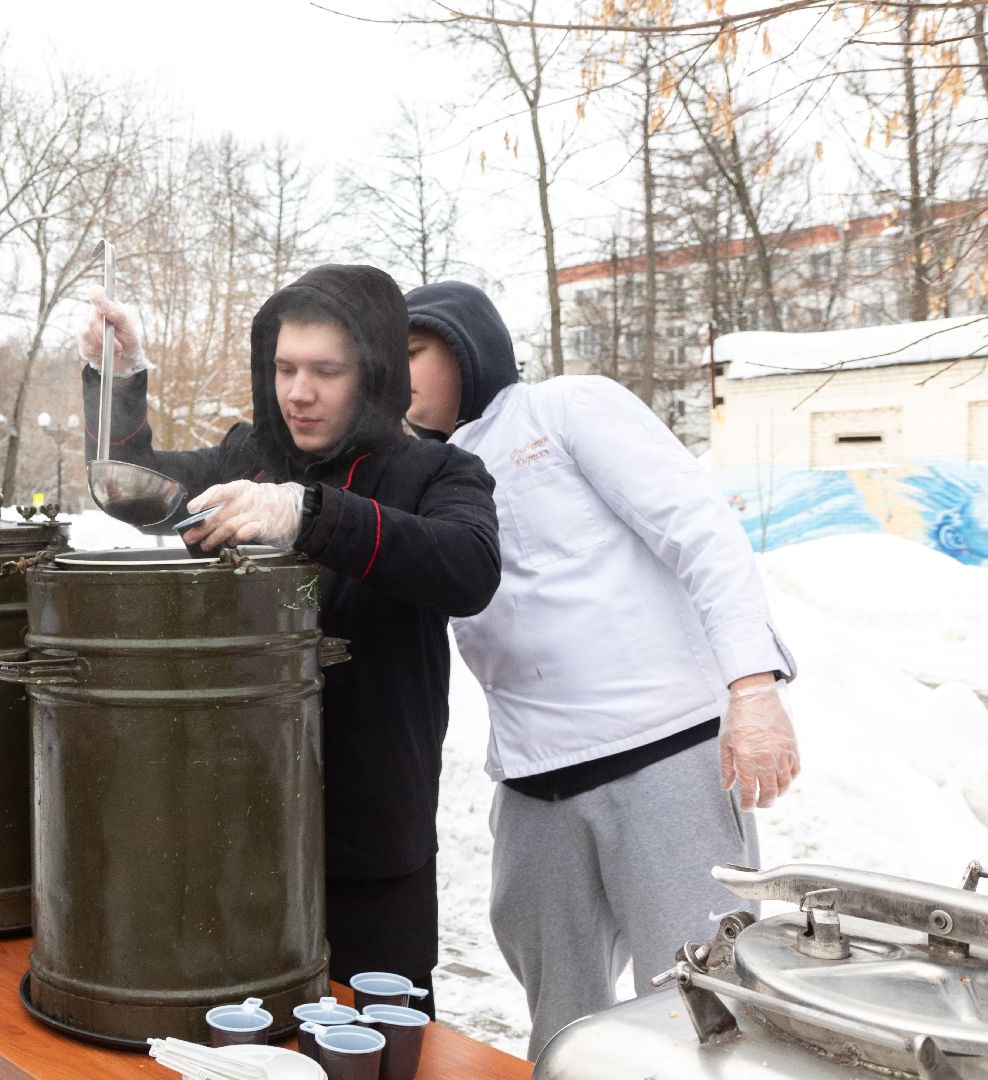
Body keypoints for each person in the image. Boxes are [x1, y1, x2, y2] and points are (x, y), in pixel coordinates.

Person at [80, 264, 502, 1014]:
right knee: (242, 1036)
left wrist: (308, 514)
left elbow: (470, 567)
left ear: (373, 373)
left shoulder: (438, 471)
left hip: (372, 838)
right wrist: (119, 377)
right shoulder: (246, 459)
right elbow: (131, 485)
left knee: (376, 1041)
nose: (298, 392)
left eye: (325, 371)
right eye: (284, 368)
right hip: (235, 825)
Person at [402, 281, 800, 1058]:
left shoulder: (565, 408)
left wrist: (753, 687)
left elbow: (701, 531)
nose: (395, 372)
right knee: (563, 1020)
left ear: (466, 347)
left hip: (663, 751)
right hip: (534, 781)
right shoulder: (419, 471)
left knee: (700, 1006)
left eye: (412, 351)